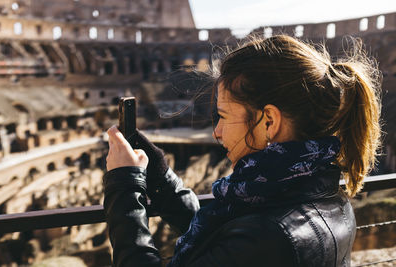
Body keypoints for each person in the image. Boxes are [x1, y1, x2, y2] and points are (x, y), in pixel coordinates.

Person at [103, 35, 381, 267]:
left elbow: (245, 242)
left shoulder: (268, 236)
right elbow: (225, 235)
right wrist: (160, 175)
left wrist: (125, 184)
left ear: (268, 121)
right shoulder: (322, 190)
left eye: (223, 116)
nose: (217, 131)